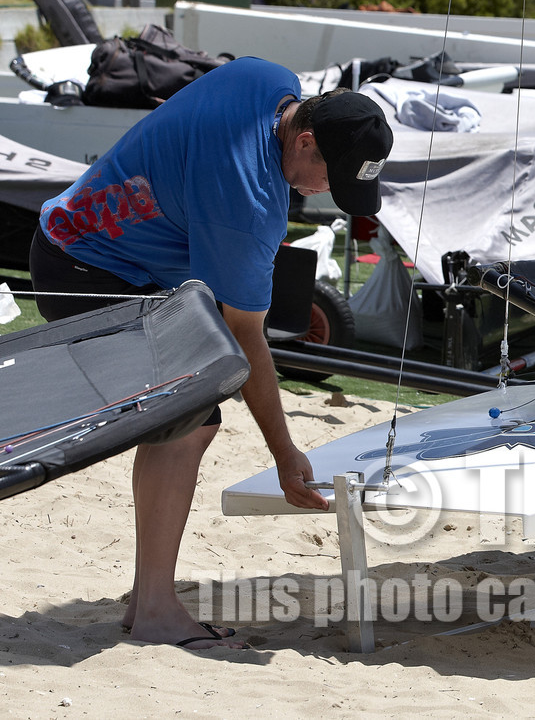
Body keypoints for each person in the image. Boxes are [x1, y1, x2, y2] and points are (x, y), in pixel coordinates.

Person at [29, 57, 393, 651]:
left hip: (79, 239)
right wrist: (283, 451)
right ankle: (153, 612)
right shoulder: (249, 205)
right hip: (87, 273)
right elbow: (244, 338)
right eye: (331, 177)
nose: (328, 194)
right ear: (304, 139)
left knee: (182, 415)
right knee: (190, 416)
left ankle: (149, 597)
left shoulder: (265, 78)